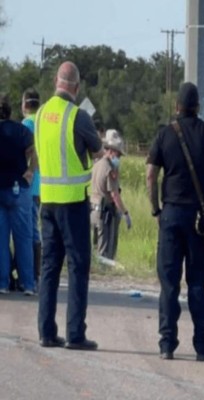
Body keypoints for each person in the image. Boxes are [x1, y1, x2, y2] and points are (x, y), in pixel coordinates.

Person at [146, 82, 204, 361]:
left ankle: (167, 344)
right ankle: (202, 347)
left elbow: (150, 175)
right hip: (199, 216)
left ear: (177, 107)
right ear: (198, 107)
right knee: (198, 284)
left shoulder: (164, 135)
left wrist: (156, 210)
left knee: (169, 284)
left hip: (171, 215)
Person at [35, 61, 103, 350]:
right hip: (73, 202)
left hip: (46, 201)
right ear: (76, 87)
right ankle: (75, 334)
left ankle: (46, 332)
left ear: (55, 82)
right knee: (78, 266)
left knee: (50, 267)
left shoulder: (39, 114)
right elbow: (99, 151)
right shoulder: (77, 116)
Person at [0, 94, 37, 295]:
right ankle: (28, 283)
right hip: (19, 188)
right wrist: (30, 172)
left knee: (1, 240)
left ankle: (3, 283)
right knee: (23, 238)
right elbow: (34, 154)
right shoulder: (22, 131)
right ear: (10, 110)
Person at [90, 129, 131, 260]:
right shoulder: (109, 168)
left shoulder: (97, 164)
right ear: (112, 151)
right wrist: (124, 212)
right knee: (105, 253)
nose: (118, 158)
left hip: (93, 211)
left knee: (96, 248)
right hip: (105, 213)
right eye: (118, 155)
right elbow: (114, 195)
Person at [22, 88, 42, 287]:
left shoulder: (26, 124)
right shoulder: (43, 122)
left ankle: (32, 273)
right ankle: (35, 271)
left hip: (28, 183)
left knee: (29, 230)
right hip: (43, 185)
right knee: (35, 227)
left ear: (24, 105)